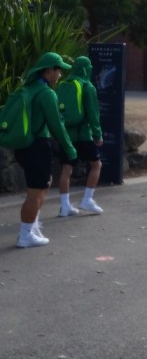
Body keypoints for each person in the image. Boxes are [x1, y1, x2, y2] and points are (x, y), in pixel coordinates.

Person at [13, 52, 77, 248]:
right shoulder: (46, 93)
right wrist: (70, 149)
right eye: (58, 71)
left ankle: (32, 227)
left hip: (25, 146)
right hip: (38, 146)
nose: (60, 75)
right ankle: (25, 234)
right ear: (49, 70)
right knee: (35, 191)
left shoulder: (30, 88)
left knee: (44, 184)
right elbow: (57, 125)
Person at [57, 56, 105, 216]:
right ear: (86, 69)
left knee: (66, 169)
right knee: (96, 165)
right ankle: (87, 199)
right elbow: (93, 114)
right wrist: (98, 135)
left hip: (67, 135)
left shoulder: (64, 84)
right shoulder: (87, 86)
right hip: (84, 135)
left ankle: (65, 206)